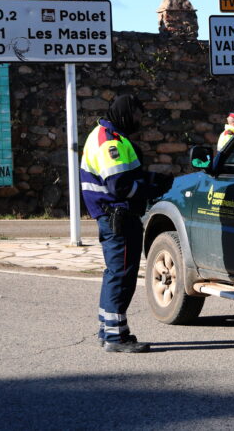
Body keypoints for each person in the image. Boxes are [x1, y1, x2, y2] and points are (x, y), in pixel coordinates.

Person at [79, 94, 172, 353]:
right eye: (138, 115)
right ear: (125, 113)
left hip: (113, 215)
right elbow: (119, 186)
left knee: (114, 274)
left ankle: (107, 330)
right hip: (117, 216)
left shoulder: (110, 135)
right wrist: (149, 189)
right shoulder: (109, 141)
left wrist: (154, 179)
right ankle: (116, 338)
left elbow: (129, 174)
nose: (139, 120)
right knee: (121, 275)